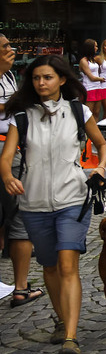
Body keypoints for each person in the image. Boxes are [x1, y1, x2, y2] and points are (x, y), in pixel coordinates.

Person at [0, 55, 106, 354]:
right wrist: (7, 176)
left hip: (73, 199)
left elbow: (103, 144)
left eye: (47, 77)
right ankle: (62, 321)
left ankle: (71, 338)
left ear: (61, 79)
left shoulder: (78, 111)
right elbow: (6, 157)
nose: (41, 83)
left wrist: (100, 167)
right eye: (36, 78)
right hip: (33, 203)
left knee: (67, 264)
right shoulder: (22, 116)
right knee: (49, 266)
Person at [0, 34, 44, 309]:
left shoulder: (9, 76)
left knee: (16, 216)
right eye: (5, 46)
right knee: (16, 216)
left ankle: (20, 287)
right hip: (5, 150)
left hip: (13, 147)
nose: (11, 49)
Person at [78, 39, 104, 117]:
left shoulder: (94, 60)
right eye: (95, 46)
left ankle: (95, 124)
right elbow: (91, 77)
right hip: (89, 88)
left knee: (96, 112)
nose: (96, 48)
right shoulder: (83, 61)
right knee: (89, 113)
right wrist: (101, 79)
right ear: (90, 48)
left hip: (98, 87)